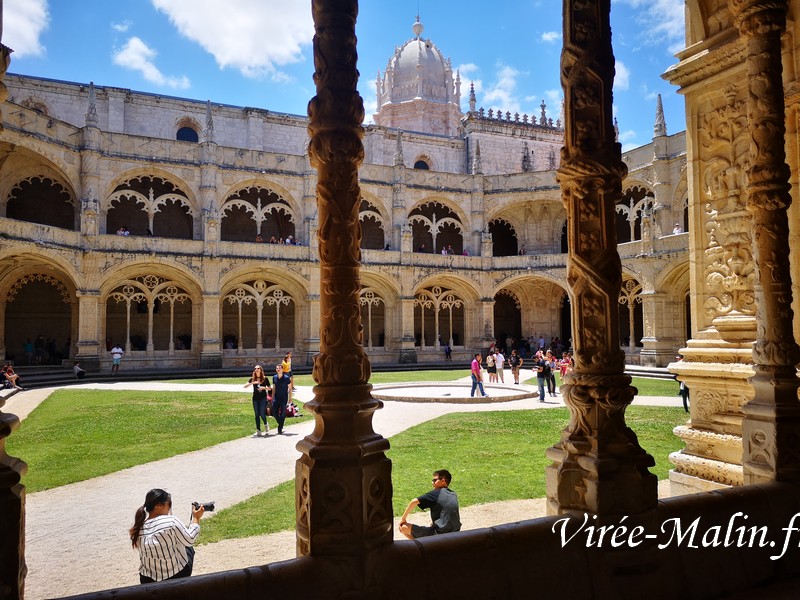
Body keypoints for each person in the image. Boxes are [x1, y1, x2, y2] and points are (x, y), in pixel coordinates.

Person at [129, 488, 204, 584]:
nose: (170, 508)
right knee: (188, 546)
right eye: (169, 504)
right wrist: (196, 518)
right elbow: (190, 539)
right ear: (158, 506)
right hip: (177, 575)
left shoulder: (138, 527)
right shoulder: (171, 521)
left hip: (147, 580)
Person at [398, 469, 461, 540]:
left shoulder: (436, 493)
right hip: (455, 532)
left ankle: (422, 546)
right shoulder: (453, 494)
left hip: (439, 534)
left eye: (434, 480)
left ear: (443, 481)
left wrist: (403, 519)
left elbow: (414, 502)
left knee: (403, 527)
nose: (432, 482)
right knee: (432, 524)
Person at [244, 365, 270, 437]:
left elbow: (270, 388)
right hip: (255, 398)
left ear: (261, 370)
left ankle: (266, 425)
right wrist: (252, 383)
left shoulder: (265, 378)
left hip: (263, 398)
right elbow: (245, 386)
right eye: (255, 369)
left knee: (262, 413)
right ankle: (258, 431)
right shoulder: (253, 379)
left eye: (258, 368)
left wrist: (263, 388)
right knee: (256, 414)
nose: (256, 369)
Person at [271, 364, 293, 434]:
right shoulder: (274, 377)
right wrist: (272, 396)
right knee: (274, 412)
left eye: (279, 368)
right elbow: (274, 387)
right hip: (276, 397)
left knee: (283, 412)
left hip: (284, 397)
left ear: (282, 370)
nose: (278, 369)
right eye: (277, 368)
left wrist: (290, 398)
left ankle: (280, 427)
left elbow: (290, 388)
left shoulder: (286, 378)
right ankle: (280, 423)